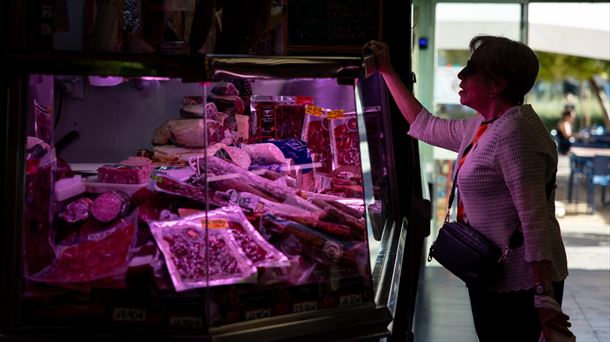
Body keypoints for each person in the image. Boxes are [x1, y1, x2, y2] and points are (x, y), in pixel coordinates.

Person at [365, 36, 573, 341]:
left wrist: (543, 295)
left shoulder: (515, 134)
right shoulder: (486, 124)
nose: (460, 76)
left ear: (496, 84)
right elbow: (425, 125)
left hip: (522, 282)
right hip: (492, 274)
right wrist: (387, 72)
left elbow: (535, 219)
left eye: (471, 69)